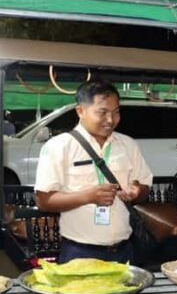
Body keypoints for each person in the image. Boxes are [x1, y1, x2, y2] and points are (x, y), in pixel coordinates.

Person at [35, 80, 152, 263]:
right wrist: (88, 196)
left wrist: (137, 191)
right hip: (79, 252)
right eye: (102, 112)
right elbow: (43, 200)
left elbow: (144, 187)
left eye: (116, 112)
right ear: (80, 111)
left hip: (124, 250)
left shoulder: (128, 144)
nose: (111, 120)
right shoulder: (59, 146)